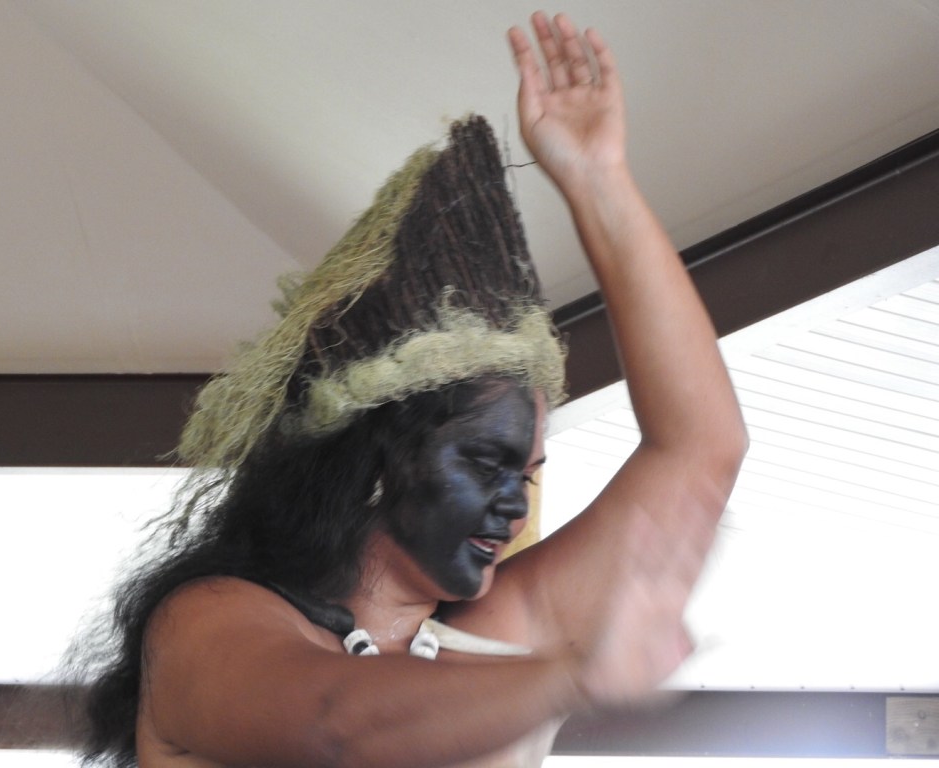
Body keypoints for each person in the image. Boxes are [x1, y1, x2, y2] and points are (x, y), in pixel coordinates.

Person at [75, 12, 747, 768]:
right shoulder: (209, 621)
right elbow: (335, 725)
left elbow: (702, 446)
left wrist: (599, 179)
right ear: (378, 456)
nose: (515, 506)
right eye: (487, 464)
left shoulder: (506, 630)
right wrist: (569, 677)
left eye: (527, 476)